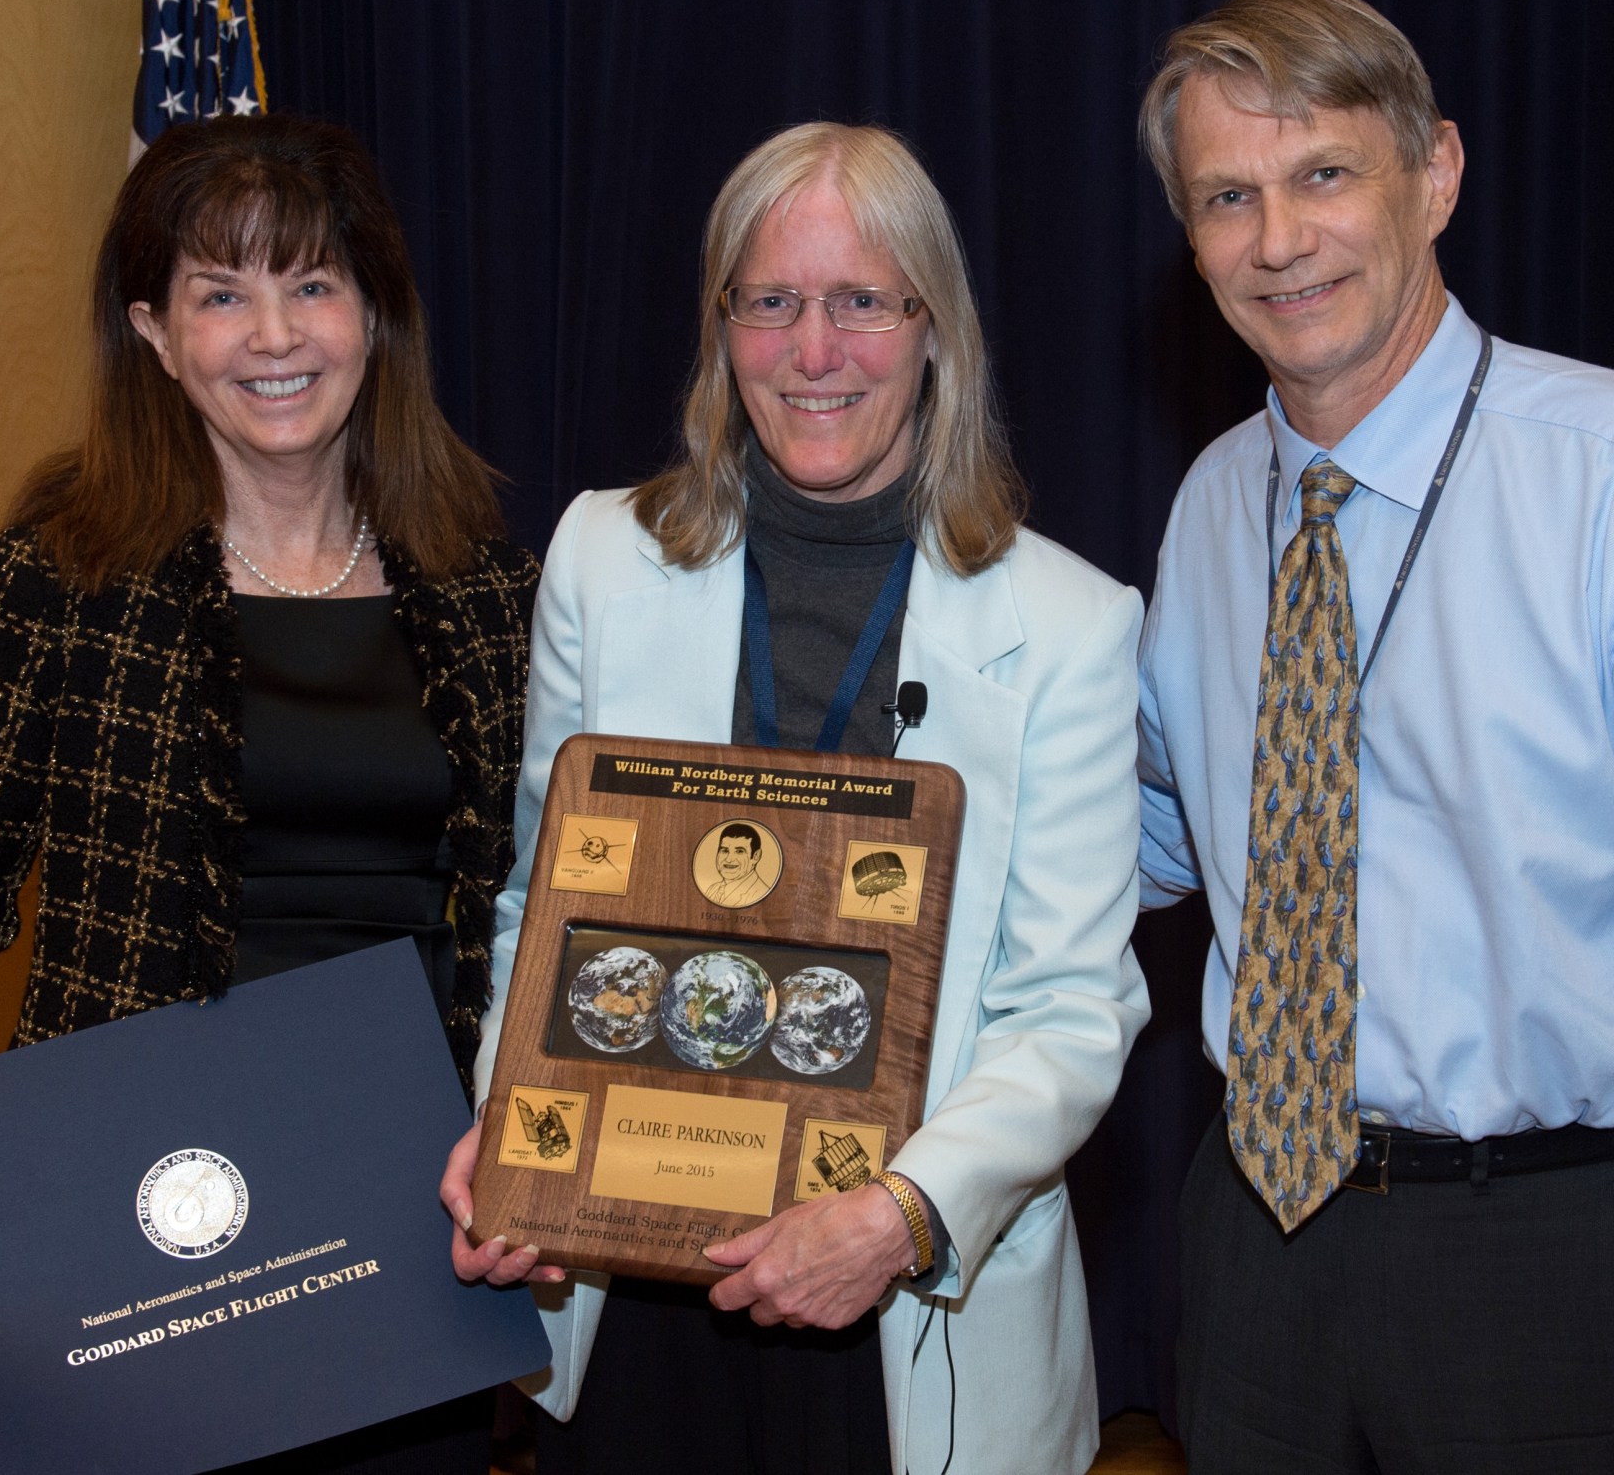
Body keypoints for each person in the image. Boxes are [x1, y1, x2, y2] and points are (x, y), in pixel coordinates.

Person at [0, 115, 538, 1474]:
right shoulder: (61, 578)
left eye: (312, 284)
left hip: (407, 1236)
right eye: (221, 293)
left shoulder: (486, 583)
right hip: (134, 1236)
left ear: (375, 315)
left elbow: (547, 908)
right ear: (152, 329)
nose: (275, 335)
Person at [1133, 0, 1614, 1474]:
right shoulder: (1204, 510)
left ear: (1435, 174)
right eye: (1225, 197)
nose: (1278, 239)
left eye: (1324, 174)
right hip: (1257, 1251)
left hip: (1563, 1262)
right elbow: (1154, 839)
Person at [440, 121, 1150, 1475]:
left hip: (904, 1308)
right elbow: (540, 903)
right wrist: (516, 1141)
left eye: (860, 303)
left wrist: (897, 1214)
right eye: (771, 301)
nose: (812, 352)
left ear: (933, 328)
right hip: (634, 1282)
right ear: (723, 329)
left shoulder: (1069, 622)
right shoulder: (599, 556)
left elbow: (1070, 1005)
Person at [704, 821, 772, 908]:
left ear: (756, 856)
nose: (729, 859)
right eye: (725, 850)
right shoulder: (712, 889)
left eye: (739, 851)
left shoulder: (761, 894)